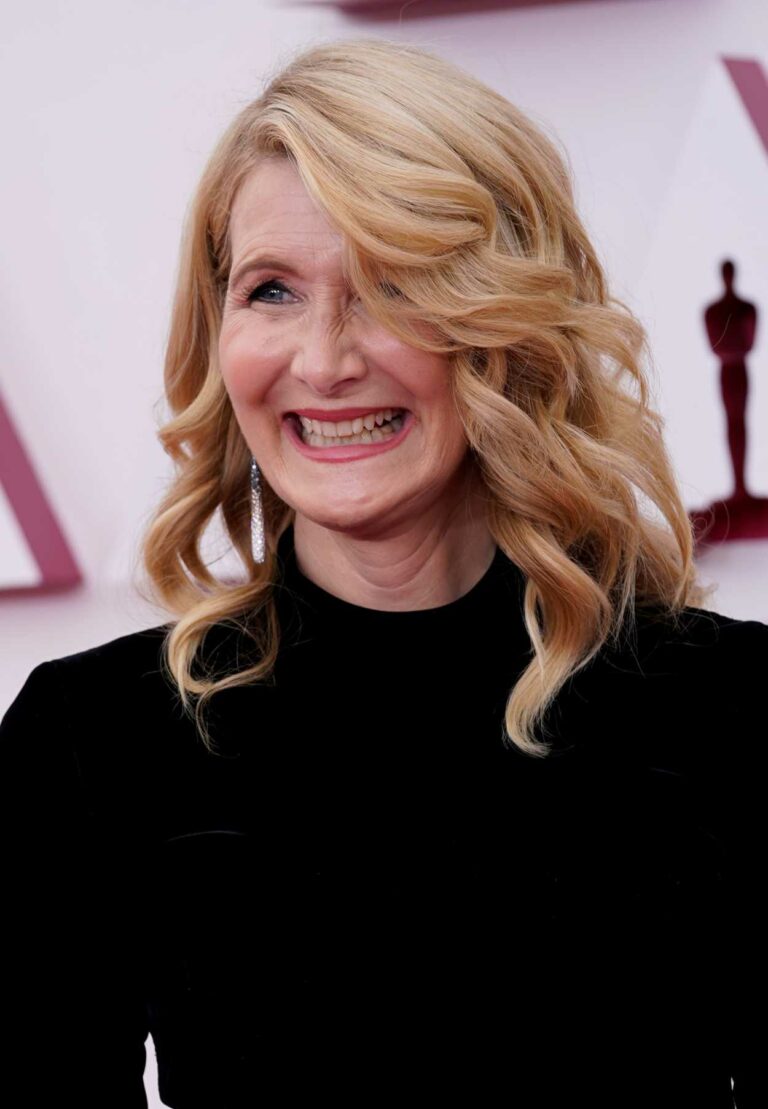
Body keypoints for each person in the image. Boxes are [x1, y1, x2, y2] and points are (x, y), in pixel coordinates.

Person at [1, 37, 765, 1109]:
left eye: (391, 284)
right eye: (272, 290)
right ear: (217, 330)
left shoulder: (735, 711)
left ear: (503, 325)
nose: (323, 358)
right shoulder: (91, 741)